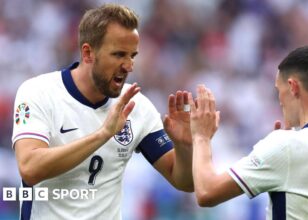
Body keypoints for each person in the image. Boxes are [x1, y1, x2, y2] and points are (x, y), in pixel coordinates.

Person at [12, 4, 193, 219]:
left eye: (132, 55)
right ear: (88, 53)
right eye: (118, 55)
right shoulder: (38, 92)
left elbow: (184, 182)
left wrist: (184, 147)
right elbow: (30, 168)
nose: (129, 66)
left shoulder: (137, 106)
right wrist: (103, 134)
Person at [189, 46, 308, 219]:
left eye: (279, 90)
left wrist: (201, 137)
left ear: (293, 87)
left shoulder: (286, 146)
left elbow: (207, 192)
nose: (280, 101)